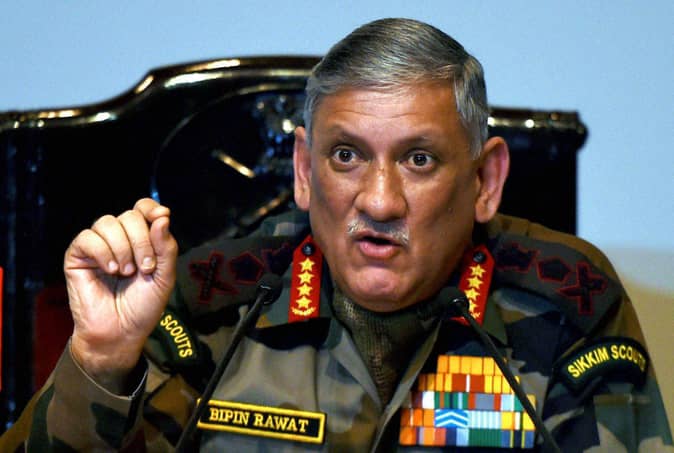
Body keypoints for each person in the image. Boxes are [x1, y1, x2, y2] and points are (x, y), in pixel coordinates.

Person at [1, 18, 672, 452]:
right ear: (303, 170)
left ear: (484, 181)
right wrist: (100, 361)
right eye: (346, 156)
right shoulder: (212, 307)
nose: (378, 201)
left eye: (419, 159)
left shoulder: (567, 305)